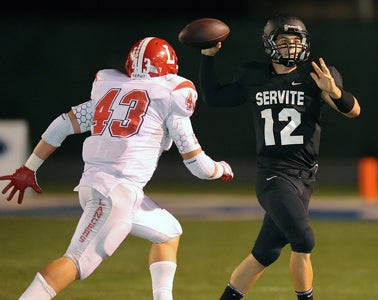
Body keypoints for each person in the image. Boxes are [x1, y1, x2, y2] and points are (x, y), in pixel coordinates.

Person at [0, 36, 233, 300]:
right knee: (75, 261)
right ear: (170, 67)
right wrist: (221, 168)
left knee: (169, 232)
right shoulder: (171, 94)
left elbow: (63, 124)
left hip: (102, 187)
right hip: (114, 194)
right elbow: (198, 166)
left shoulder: (110, 90)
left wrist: (29, 168)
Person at [198, 14, 361, 299]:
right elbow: (213, 97)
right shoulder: (254, 76)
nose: (290, 47)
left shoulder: (317, 74)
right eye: (283, 41)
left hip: (306, 177)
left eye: (296, 40)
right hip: (273, 175)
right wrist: (208, 57)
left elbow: (353, 110)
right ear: (270, 44)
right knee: (304, 239)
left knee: (266, 252)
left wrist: (334, 91)